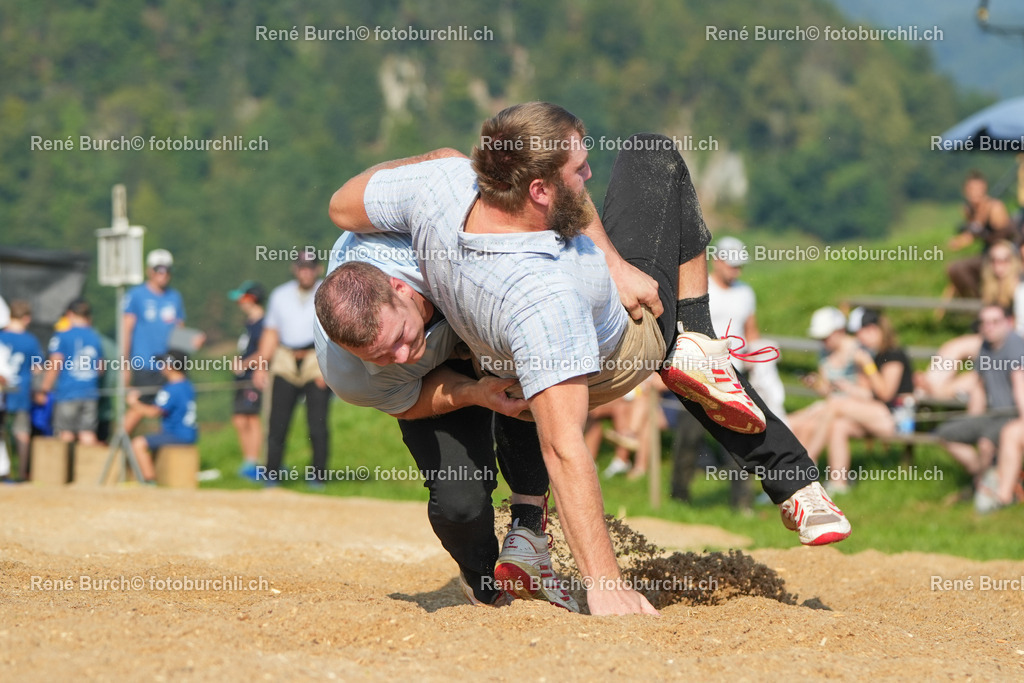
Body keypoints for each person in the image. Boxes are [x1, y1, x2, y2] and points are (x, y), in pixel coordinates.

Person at [327, 102, 851, 615]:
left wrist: (613, 259)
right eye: (580, 170)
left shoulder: (441, 190)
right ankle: (693, 336)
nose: (590, 176)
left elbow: (340, 206)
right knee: (652, 154)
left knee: (514, 372)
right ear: (538, 190)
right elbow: (564, 448)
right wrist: (605, 584)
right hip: (621, 346)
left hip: (507, 353)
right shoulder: (538, 297)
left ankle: (528, 530)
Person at [314, 230, 572, 609]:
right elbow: (408, 400)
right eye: (382, 356)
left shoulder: (436, 245)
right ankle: (483, 582)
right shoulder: (348, 374)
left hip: (483, 318)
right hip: (430, 380)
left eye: (400, 336)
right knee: (460, 503)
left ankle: (528, 528)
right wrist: (473, 392)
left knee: (524, 368)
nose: (402, 355)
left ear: (401, 288)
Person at [252, 252, 331, 486]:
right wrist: (261, 366)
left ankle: (318, 476)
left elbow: (335, 335)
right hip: (285, 358)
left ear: (318, 269)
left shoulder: (327, 292)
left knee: (317, 423)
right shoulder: (280, 295)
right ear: (294, 269)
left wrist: (329, 369)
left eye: (310, 267)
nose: (305, 271)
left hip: (315, 358)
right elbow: (271, 332)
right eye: (301, 267)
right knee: (277, 422)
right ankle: (272, 473)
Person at [816, 310, 915, 493]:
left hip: (898, 418)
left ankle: (807, 464)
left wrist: (867, 365)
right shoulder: (872, 354)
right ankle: (839, 484)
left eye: (858, 332)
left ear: (872, 329)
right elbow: (867, 393)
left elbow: (886, 394)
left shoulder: (893, 355)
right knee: (839, 425)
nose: (857, 338)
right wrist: (847, 387)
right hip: (878, 414)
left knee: (834, 405)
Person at [935, 305, 1024, 491]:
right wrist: (973, 419)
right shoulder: (985, 346)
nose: (988, 327)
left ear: (1009, 322)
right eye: (984, 323)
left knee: (985, 443)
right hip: (993, 416)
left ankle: (983, 485)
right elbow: (979, 388)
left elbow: (1019, 384)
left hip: (1013, 415)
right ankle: (982, 475)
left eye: (994, 322)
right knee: (944, 434)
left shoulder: (1015, 344)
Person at [122, 249, 186, 432]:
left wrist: (192, 342)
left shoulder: (175, 297)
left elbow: (179, 330)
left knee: (167, 410)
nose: (163, 274)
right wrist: (124, 364)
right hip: (145, 363)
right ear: (149, 270)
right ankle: (118, 447)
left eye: (167, 269)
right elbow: (126, 330)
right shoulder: (136, 295)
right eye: (158, 269)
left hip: (169, 367)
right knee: (139, 409)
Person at [788, 307, 861, 462]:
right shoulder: (824, 353)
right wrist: (815, 384)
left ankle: (804, 467)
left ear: (840, 330)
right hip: (832, 406)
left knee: (806, 419)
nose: (823, 342)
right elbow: (828, 390)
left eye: (825, 337)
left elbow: (867, 389)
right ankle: (798, 471)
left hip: (855, 405)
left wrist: (845, 388)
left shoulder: (858, 350)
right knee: (804, 425)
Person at [35, 299, 104, 444]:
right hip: (90, 391)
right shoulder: (95, 336)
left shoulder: (63, 335)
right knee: (87, 434)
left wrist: (44, 389)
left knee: (65, 434)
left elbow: (55, 364)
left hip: (68, 392)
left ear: (69, 314)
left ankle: (66, 467)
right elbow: (100, 368)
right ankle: (90, 467)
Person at [127, 350, 197, 483]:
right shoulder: (187, 385)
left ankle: (149, 480)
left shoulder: (172, 388)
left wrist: (134, 403)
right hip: (188, 433)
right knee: (153, 437)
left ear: (172, 366)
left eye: (164, 364)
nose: (161, 367)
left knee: (138, 443)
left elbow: (154, 412)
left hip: (178, 434)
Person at [947, 171, 1013, 299]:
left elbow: (1006, 237)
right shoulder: (968, 210)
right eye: (971, 189)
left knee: (958, 268)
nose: (975, 193)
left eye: (978, 189)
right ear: (965, 191)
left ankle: (981, 302)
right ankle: (979, 300)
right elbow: (973, 233)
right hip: (987, 255)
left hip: (1003, 255)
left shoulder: (995, 208)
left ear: (985, 189)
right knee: (953, 269)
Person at [0, 300, 44, 480]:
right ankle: (22, 473)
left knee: (1, 432)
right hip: (21, 391)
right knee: (22, 432)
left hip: (3, 392)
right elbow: (37, 368)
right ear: (26, 318)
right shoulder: (30, 340)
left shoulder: (2, 337)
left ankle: (4, 470)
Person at [227, 281, 266, 481]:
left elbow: (265, 350)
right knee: (240, 419)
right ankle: (248, 460)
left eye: (242, 298)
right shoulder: (249, 323)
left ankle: (255, 463)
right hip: (243, 379)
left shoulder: (263, 323)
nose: (240, 303)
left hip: (253, 378)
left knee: (252, 418)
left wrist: (246, 364)